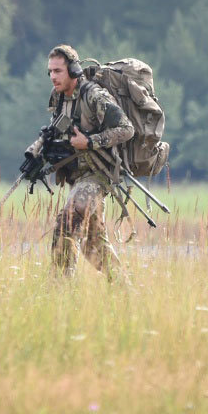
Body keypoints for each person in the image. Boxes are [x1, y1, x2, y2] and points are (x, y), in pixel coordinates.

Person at [28, 44, 134, 279]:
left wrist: (90, 142)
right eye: (50, 71)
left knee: (67, 222)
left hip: (98, 174)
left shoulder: (94, 96)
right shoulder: (58, 97)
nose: (53, 77)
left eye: (58, 71)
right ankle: (125, 290)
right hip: (77, 177)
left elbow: (127, 129)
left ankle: (59, 286)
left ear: (74, 70)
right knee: (93, 244)